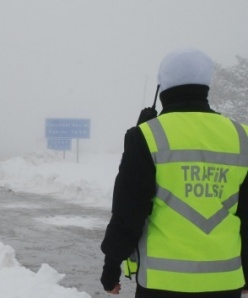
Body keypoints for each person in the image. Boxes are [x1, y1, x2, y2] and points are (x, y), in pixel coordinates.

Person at [100, 47, 248, 297]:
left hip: (161, 284)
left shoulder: (146, 137)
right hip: (225, 282)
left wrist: (111, 266)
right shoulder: (241, 136)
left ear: (163, 87)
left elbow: (128, 212)